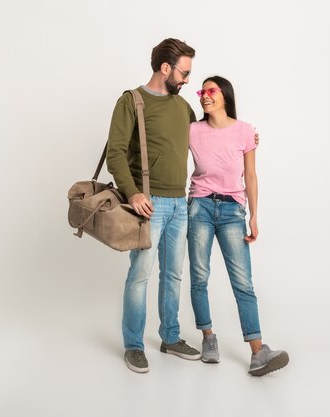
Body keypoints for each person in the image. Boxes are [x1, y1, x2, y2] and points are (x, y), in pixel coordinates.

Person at [106, 38, 202, 373]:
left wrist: (244, 136)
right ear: (166, 68)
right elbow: (116, 152)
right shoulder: (131, 101)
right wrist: (132, 193)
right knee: (140, 275)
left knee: (173, 275)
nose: (188, 80)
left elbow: (206, 138)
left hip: (180, 203)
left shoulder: (183, 107)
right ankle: (133, 344)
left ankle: (170, 337)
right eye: (184, 73)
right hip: (150, 205)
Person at [187, 76, 289, 376]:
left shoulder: (245, 131)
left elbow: (251, 175)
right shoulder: (192, 130)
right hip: (200, 206)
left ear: (225, 96)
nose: (205, 96)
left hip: (233, 210)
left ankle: (258, 352)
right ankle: (208, 338)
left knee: (243, 282)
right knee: (199, 276)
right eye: (201, 91)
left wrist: (254, 215)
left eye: (211, 91)